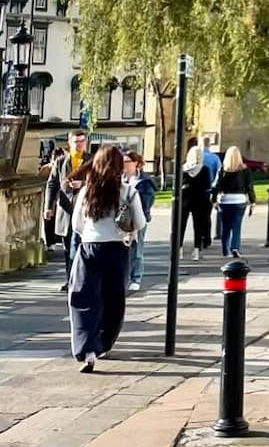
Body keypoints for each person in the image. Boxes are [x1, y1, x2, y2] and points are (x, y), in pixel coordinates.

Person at [68, 143, 145, 373]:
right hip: (117, 249)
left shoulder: (86, 192)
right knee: (113, 300)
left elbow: (76, 225)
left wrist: (91, 234)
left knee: (83, 298)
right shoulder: (128, 191)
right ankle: (103, 342)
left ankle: (87, 350)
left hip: (90, 247)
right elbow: (140, 222)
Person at [45, 130, 89, 290]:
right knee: (68, 249)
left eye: (82, 141)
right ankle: (70, 279)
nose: (79, 145)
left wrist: (83, 184)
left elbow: (99, 182)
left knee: (83, 247)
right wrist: (48, 207)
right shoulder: (61, 161)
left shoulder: (91, 160)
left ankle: (83, 280)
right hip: (66, 212)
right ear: (70, 143)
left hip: (85, 212)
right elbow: (52, 184)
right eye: (76, 142)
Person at [212, 145, 256, 258]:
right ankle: (234, 247)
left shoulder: (223, 169)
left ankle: (225, 249)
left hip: (225, 200)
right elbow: (249, 187)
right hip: (239, 199)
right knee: (236, 226)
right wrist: (252, 201)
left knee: (225, 226)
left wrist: (213, 200)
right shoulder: (245, 170)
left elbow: (216, 186)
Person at [122, 151, 156, 292]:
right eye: (123, 162)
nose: (124, 165)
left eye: (127, 162)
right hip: (121, 220)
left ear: (136, 163)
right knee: (122, 250)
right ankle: (124, 277)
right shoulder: (120, 179)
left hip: (138, 219)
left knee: (136, 249)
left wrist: (135, 226)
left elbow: (145, 205)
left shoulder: (144, 182)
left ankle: (136, 278)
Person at [181, 144, 213, 260]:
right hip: (200, 200)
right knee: (198, 226)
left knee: (181, 225)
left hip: (185, 200)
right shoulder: (204, 170)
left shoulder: (183, 169)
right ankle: (196, 251)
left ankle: (179, 249)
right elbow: (207, 186)